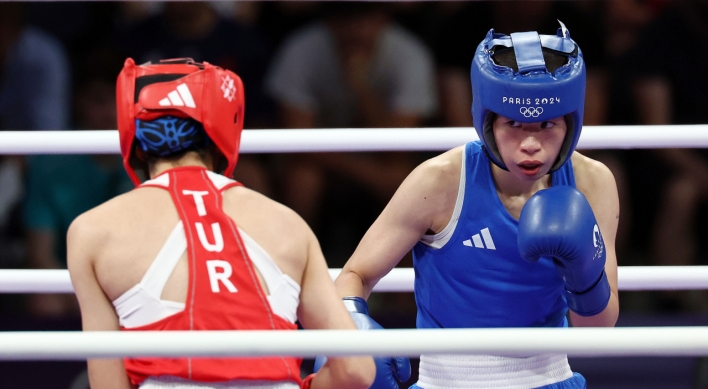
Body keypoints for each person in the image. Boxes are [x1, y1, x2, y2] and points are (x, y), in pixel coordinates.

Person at [333, 24, 620, 388]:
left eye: (546, 124)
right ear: (487, 120)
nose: (530, 143)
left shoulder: (593, 182)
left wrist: (583, 274)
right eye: (514, 123)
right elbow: (353, 275)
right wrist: (356, 327)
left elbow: (598, 327)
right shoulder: (440, 182)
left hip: (553, 378)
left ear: (570, 122)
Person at [67, 58, 375, 389]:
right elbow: (356, 370)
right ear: (222, 131)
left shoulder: (93, 231)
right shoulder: (288, 224)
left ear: (137, 139)